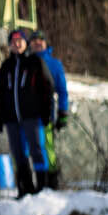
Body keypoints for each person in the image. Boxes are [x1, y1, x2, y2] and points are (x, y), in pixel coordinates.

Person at [0, 27, 55, 197]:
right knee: (18, 152)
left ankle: (42, 187)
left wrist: (47, 112)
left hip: (32, 116)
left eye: (20, 41)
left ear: (25, 43)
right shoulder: (6, 67)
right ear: (9, 45)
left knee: (36, 149)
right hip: (12, 118)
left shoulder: (35, 63)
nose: (17, 44)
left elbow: (47, 88)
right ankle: (24, 188)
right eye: (13, 42)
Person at [29, 32, 69, 189]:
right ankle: (35, 183)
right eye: (34, 41)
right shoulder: (26, 62)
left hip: (46, 116)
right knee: (31, 150)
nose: (37, 43)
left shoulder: (54, 64)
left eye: (41, 40)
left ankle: (51, 182)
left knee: (47, 147)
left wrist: (63, 112)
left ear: (46, 43)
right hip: (28, 116)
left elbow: (62, 91)